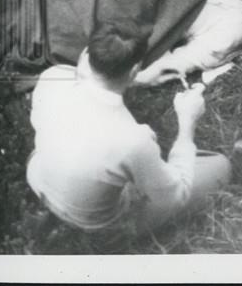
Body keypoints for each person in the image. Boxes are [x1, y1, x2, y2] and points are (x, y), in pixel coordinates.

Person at [26, 17, 230, 233]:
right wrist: (187, 122)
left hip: (39, 181)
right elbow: (174, 198)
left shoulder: (53, 78)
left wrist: (134, 79)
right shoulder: (133, 139)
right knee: (220, 166)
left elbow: (86, 79)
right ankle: (113, 224)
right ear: (134, 70)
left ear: (87, 54)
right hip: (93, 222)